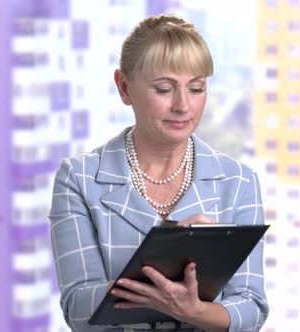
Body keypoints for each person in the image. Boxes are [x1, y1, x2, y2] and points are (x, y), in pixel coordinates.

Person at [49, 14, 268, 332]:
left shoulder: (238, 182)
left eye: (196, 88)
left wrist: (195, 311)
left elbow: (251, 308)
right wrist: (170, 251)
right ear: (124, 87)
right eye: (164, 89)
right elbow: (78, 309)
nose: (183, 105)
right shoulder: (79, 179)